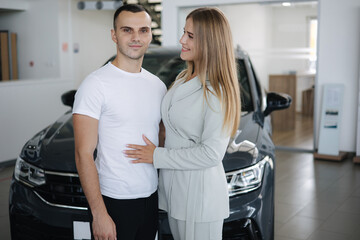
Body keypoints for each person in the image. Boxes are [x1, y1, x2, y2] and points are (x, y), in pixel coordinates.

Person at [124, 7, 241, 240]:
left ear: (210, 43)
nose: (181, 40)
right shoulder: (183, 78)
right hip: (177, 193)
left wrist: (155, 155)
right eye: (183, 33)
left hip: (199, 198)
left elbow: (211, 154)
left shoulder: (217, 92)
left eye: (190, 36)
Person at [72, 4, 166, 240]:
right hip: (113, 201)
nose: (136, 38)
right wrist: (99, 214)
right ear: (114, 35)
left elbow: (162, 139)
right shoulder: (95, 84)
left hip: (151, 197)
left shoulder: (158, 86)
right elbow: (83, 154)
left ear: (150, 35)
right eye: (127, 30)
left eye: (143, 30)